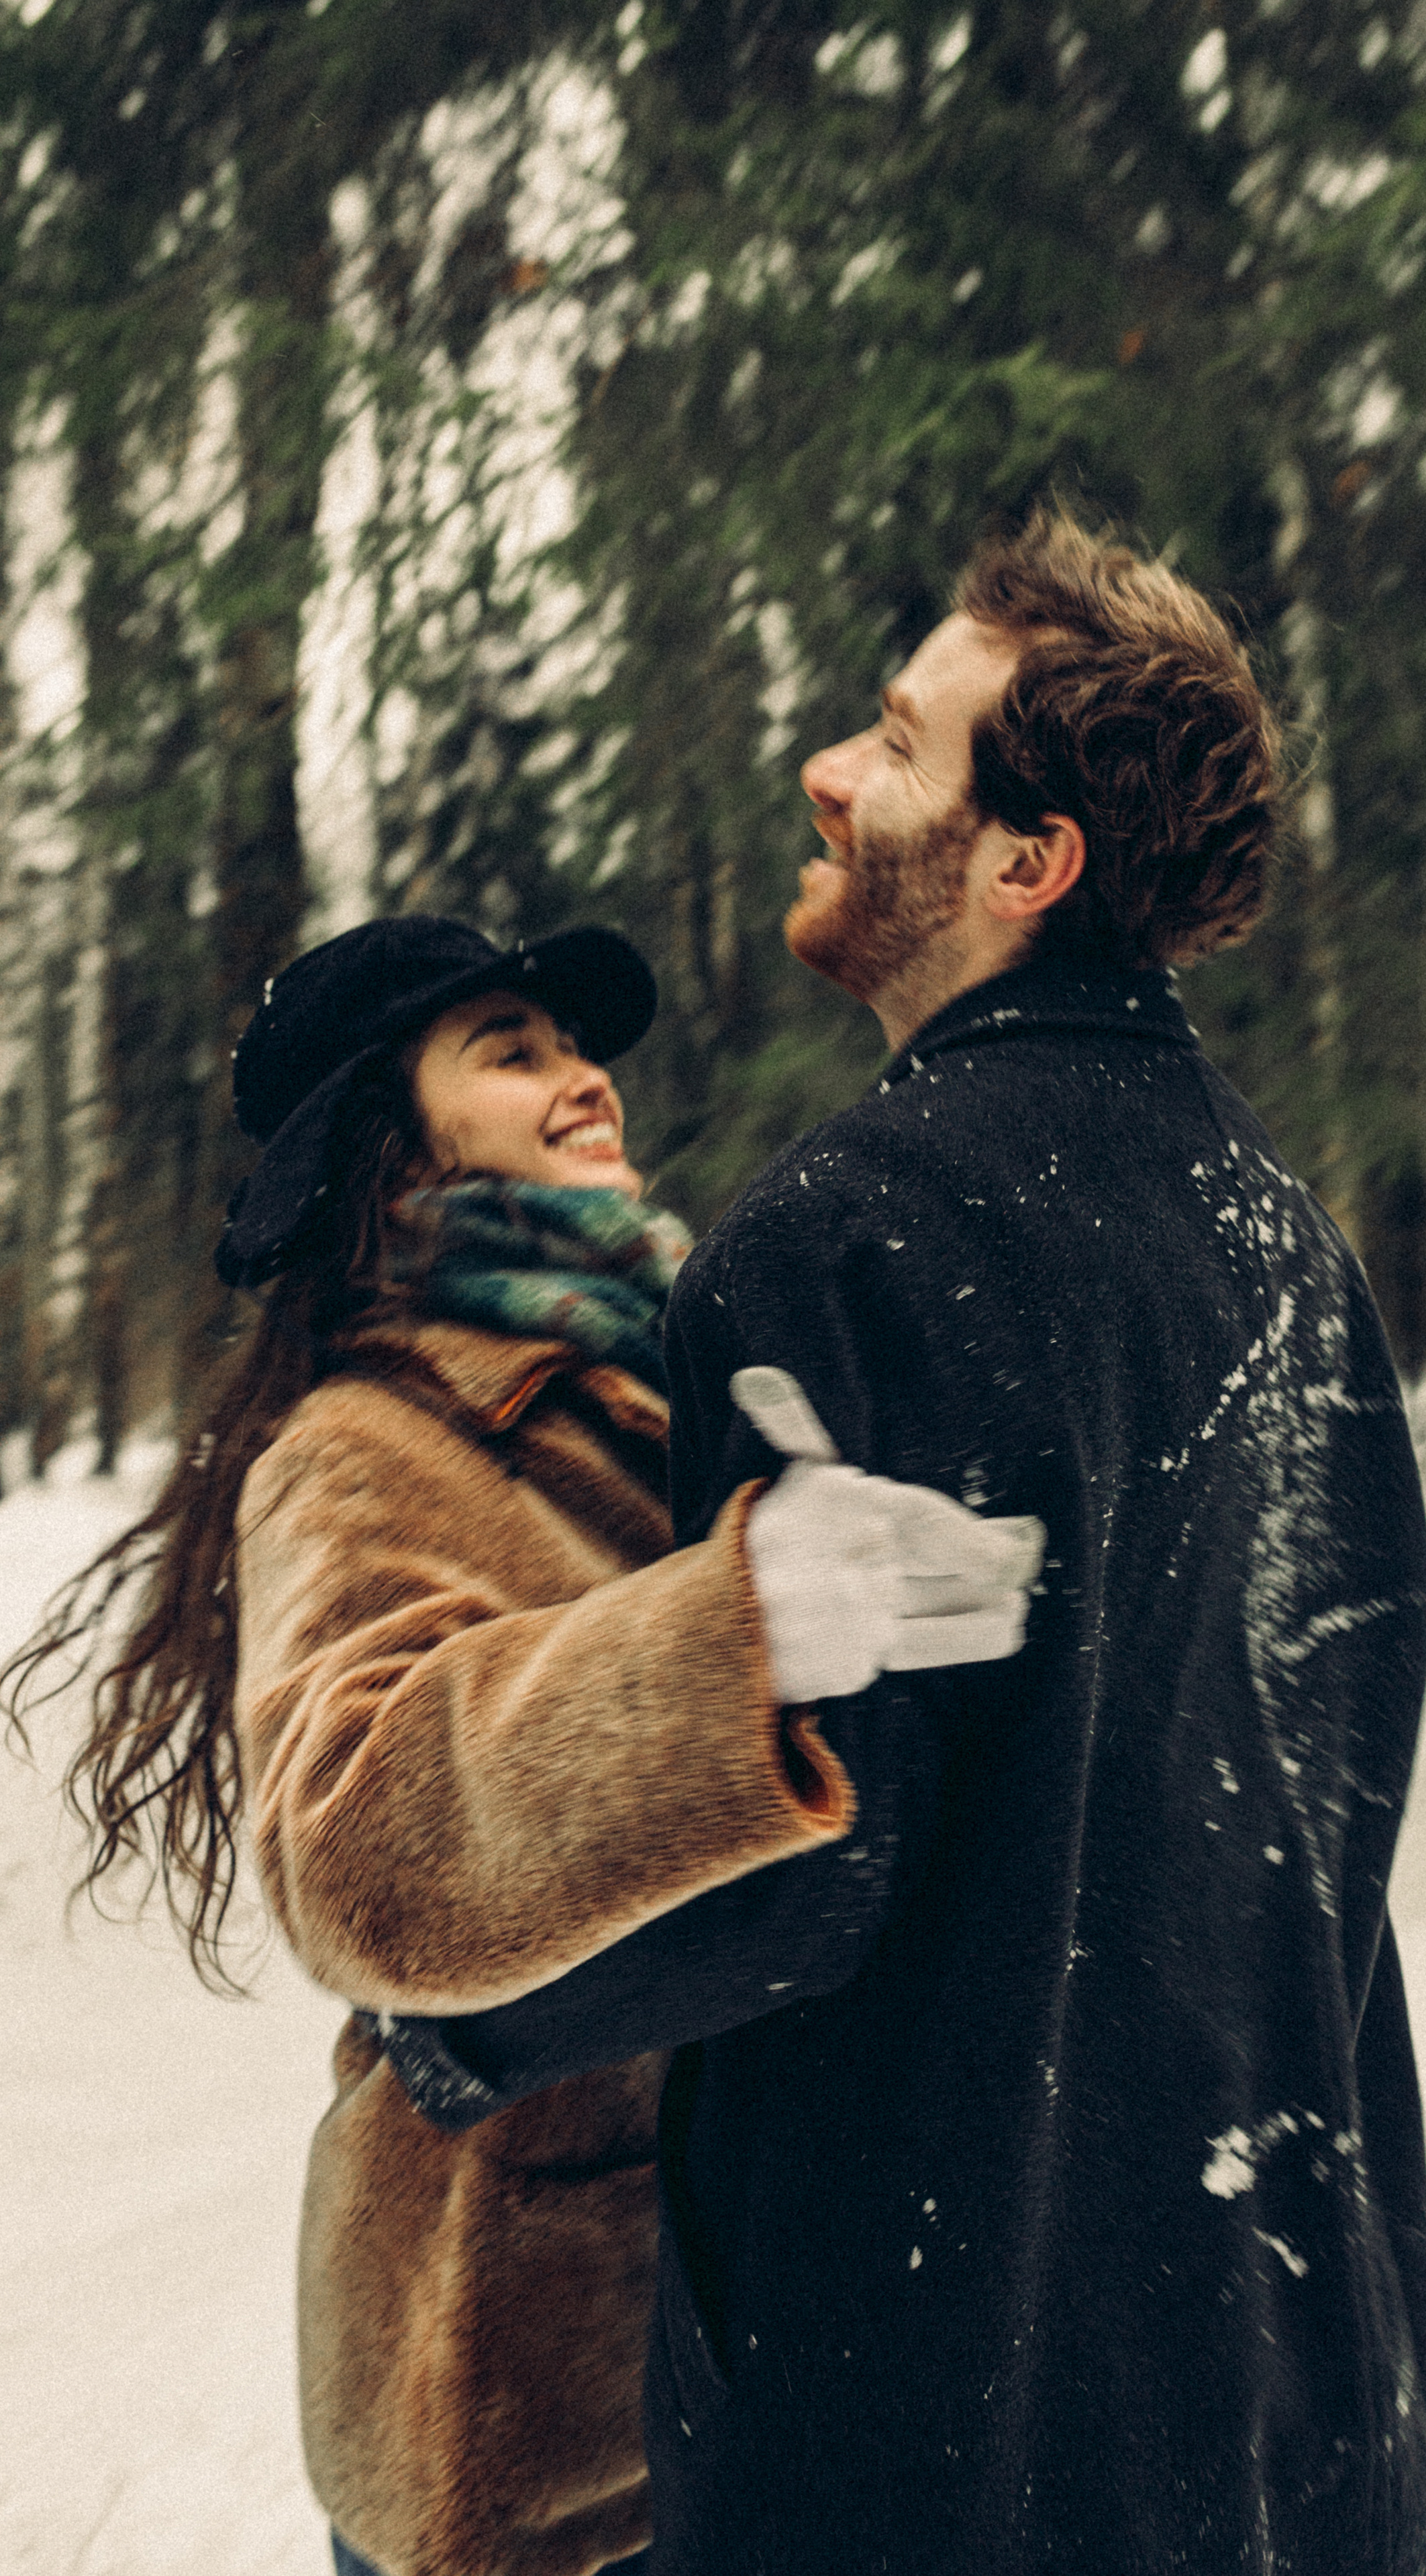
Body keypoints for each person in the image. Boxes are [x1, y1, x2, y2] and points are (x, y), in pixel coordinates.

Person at [387, 512, 1426, 2574]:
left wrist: (463, 2024)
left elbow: (808, 1854)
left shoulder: (836, 1245)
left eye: (896, 744)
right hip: (1299, 2388)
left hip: (943, 2408)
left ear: (1028, 862)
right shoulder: (1289, 1249)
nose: (827, 767)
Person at [3, 913, 1038, 2576]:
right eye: (512, 1049)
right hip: (521, 2423)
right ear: (394, 1150)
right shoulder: (363, 1444)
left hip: (741, 2346)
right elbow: (359, 1851)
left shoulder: (659, 1384)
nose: (583, 1078)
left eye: (574, 1043)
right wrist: (741, 1632)